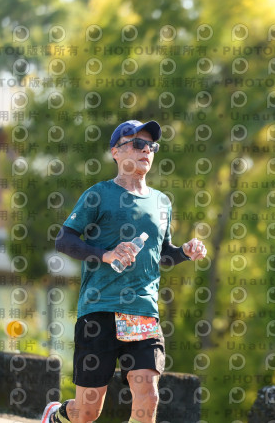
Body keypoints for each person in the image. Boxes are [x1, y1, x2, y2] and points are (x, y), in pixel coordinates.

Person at [40, 120, 207, 423]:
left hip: (143, 311)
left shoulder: (162, 202)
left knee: (149, 395)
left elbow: (161, 254)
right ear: (116, 152)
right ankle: (57, 415)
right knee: (88, 412)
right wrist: (106, 254)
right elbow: (64, 240)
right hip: (99, 310)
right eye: (138, 143)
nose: (147, 150)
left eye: (151, 145)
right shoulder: (99, 194)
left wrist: (184, 252)